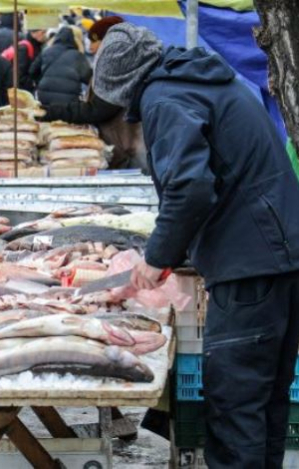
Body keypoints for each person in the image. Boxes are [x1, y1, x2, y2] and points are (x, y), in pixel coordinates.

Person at [93, 23, 299, 467]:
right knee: (263, 404)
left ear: (122, 86)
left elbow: (190, 188)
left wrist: (157, 257)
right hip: (277, 255)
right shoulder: (200, 81)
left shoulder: (165, 97)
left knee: (237, 405)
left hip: (251, 264)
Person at [38, 16, 146, 170]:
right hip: (124, 147)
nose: (91, 47)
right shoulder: (123, 64)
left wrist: (49, 112)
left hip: (127, 150)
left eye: (95, 40)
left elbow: (97, 110)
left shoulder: (118, 68)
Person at [29, 26, 92, 106]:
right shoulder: (77, 55)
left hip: (44, 95)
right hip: (68, 97)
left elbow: (32, 71)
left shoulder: (46, 51)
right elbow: (88, 77)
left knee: (48, 116)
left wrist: (41, 81)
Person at [1, 28, 46, 92]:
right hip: (18, 90)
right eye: (43, 32)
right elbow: (20, 75)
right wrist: (32, 84)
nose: (45, 35)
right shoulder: (24, 48)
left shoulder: (36, 45)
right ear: (33, 33)